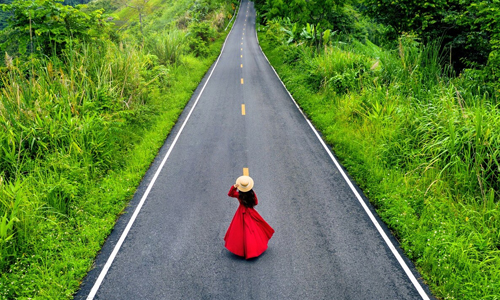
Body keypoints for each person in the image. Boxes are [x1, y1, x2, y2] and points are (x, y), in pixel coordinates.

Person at [224, 175, 275, 259]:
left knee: (239, 231)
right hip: (251, 213)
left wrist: (234, 187)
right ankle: (253, 249)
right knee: (253, 230)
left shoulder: (239, 195)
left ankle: (241, 249)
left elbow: (230, 194)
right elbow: (256, 202)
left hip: (241, 213)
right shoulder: (252, 194)